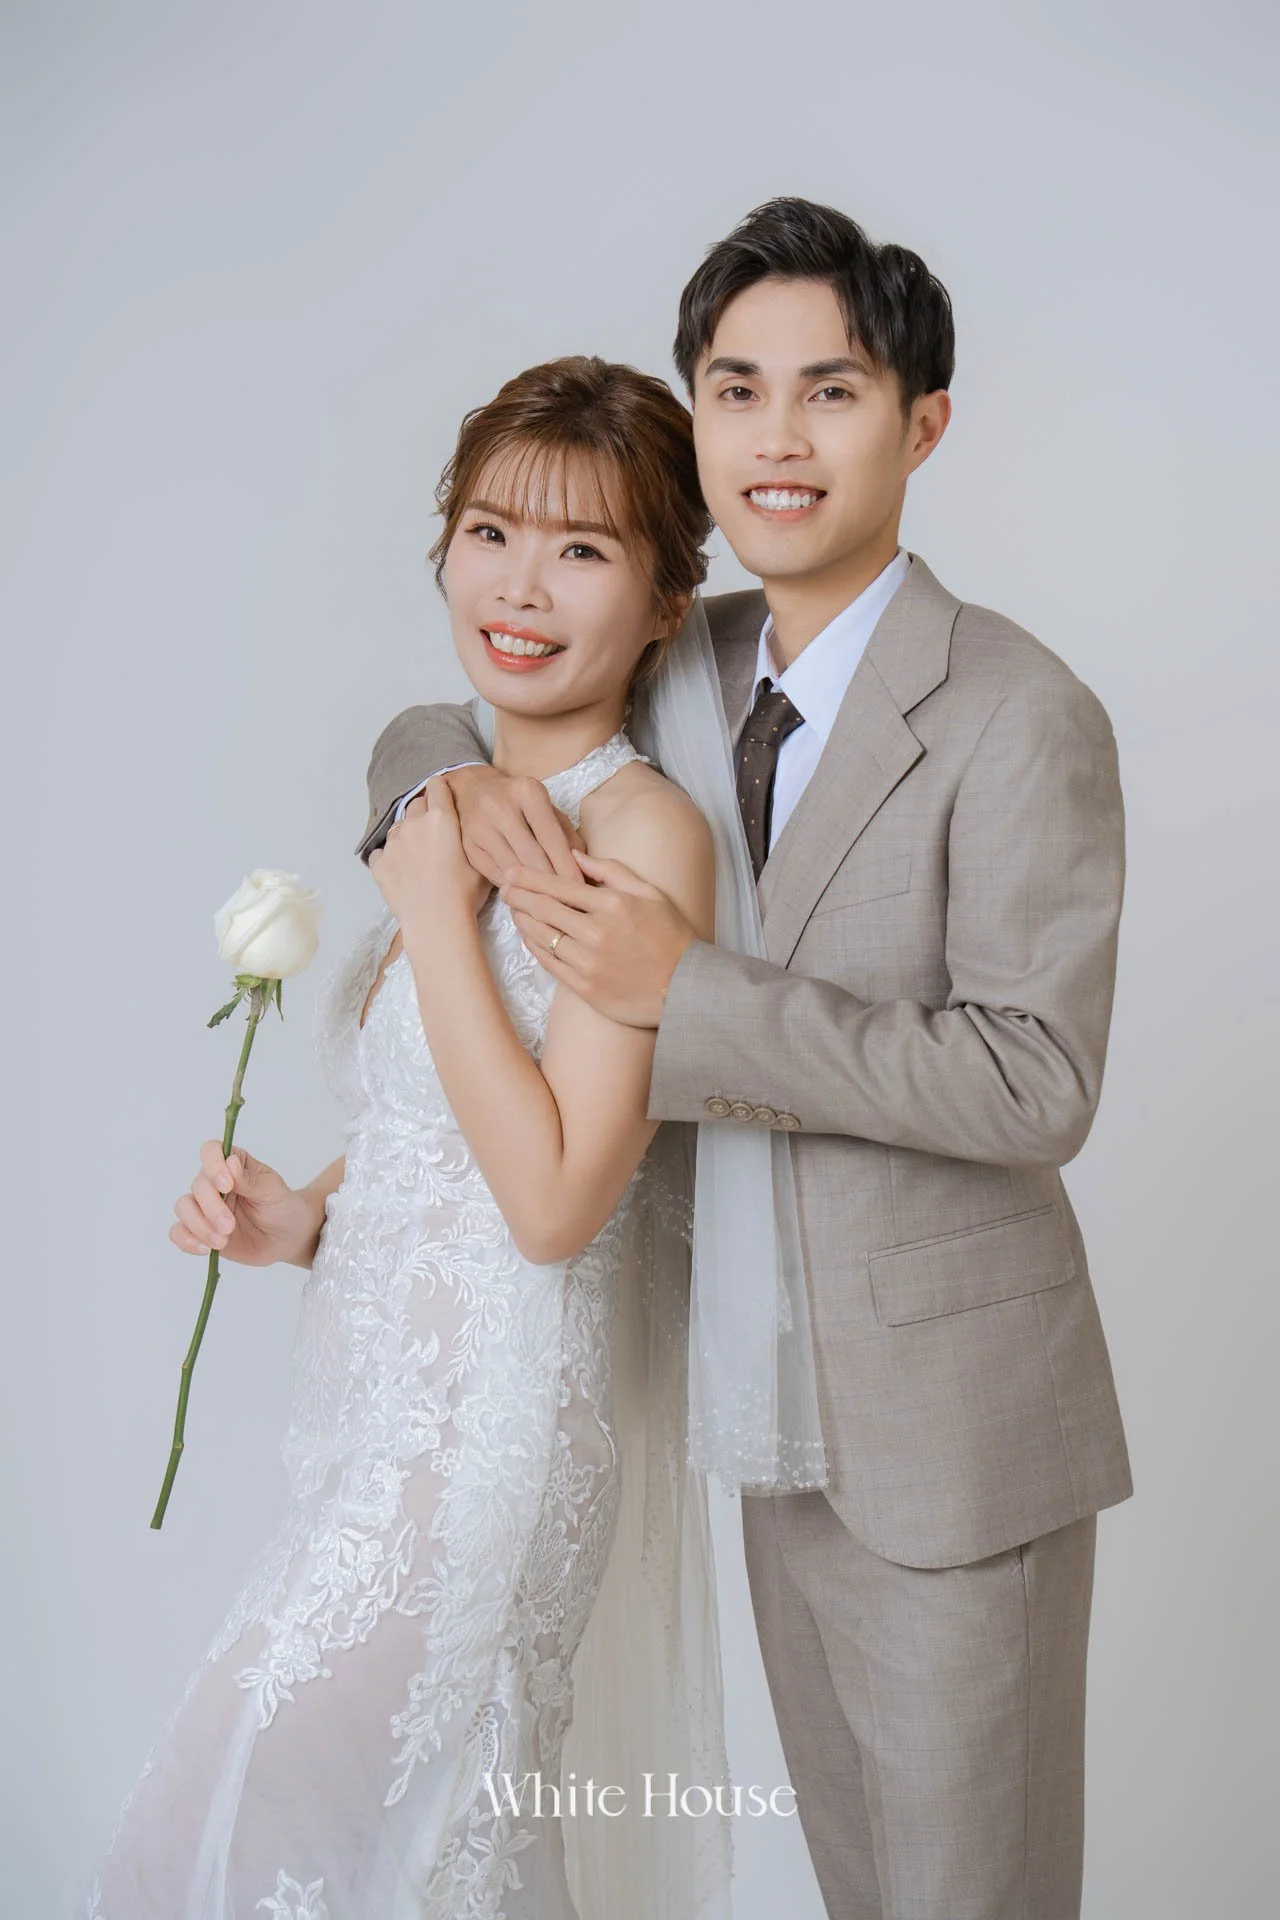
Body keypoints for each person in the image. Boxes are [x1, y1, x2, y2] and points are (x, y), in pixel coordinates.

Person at [360, 197, 1135, 1920]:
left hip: (951, 1441)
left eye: (830, 391)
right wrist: (439, 781)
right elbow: (474, 694)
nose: (777, 436)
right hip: (760, 1413)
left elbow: (1037, 1079)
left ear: (922, 425)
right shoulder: (684, 657)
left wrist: (692, 997)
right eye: (736, 389)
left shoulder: (1019, 712)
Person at [82, 355, 772, 1920]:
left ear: (665, 604)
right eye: (490, 533)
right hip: (369, 1433)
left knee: (206, 1851)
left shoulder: (640, 831)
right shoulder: (453, 791)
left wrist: (438, 915)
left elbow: (557, 1200)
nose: (520, 586)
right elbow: (446, 1139)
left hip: (479, 1456)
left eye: (582, 550)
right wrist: (304, 1218)